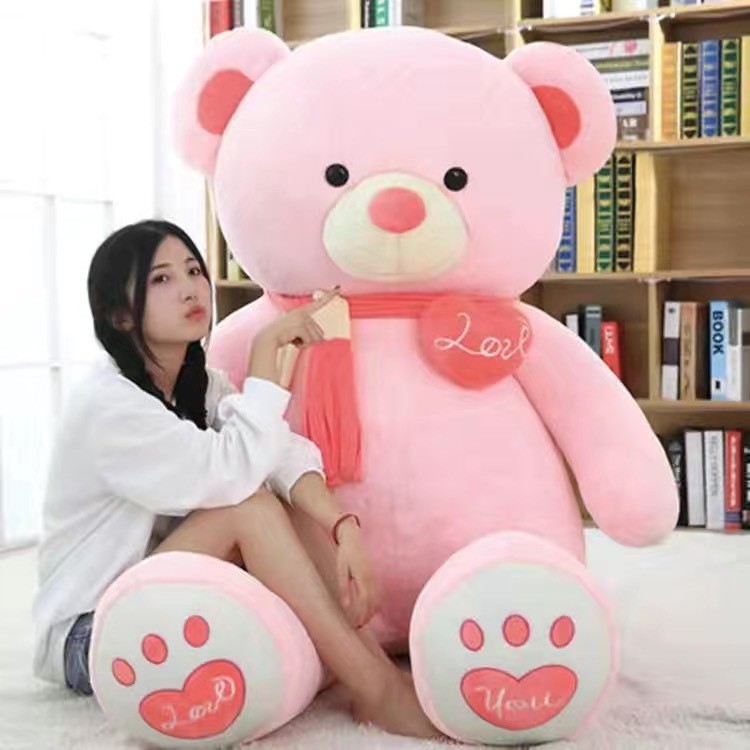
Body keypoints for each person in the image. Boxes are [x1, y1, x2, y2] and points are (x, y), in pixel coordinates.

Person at [31, 219, 438, 739]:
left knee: (281, 501)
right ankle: (376, 688)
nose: (189, 289)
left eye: (193, 270)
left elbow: (279, 455)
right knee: (248, 506)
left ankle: (372, 672)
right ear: (119, 314)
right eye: (161, 279)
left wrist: (344, 527)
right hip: (93, 634)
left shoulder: (196, 384)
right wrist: (266, 357)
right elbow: (235, 472)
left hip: (158, 597)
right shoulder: (109, 405)